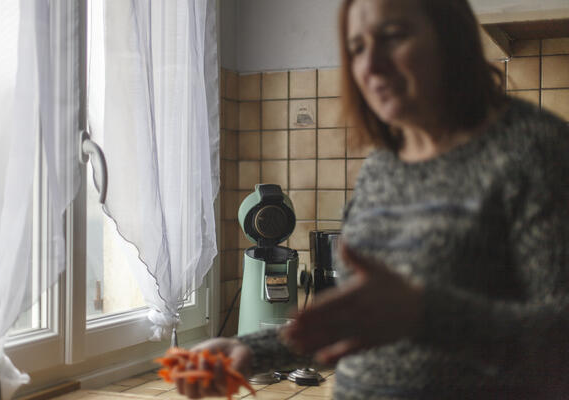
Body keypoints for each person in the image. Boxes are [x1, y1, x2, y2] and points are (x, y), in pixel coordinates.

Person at [177, 0, 569, 398]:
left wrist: (426, 314)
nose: (371, 66)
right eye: (357, 48)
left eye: (394, 36)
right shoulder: (383, 166)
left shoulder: (536, 152)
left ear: (451, 38)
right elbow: (362, 324)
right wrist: (251, 351)